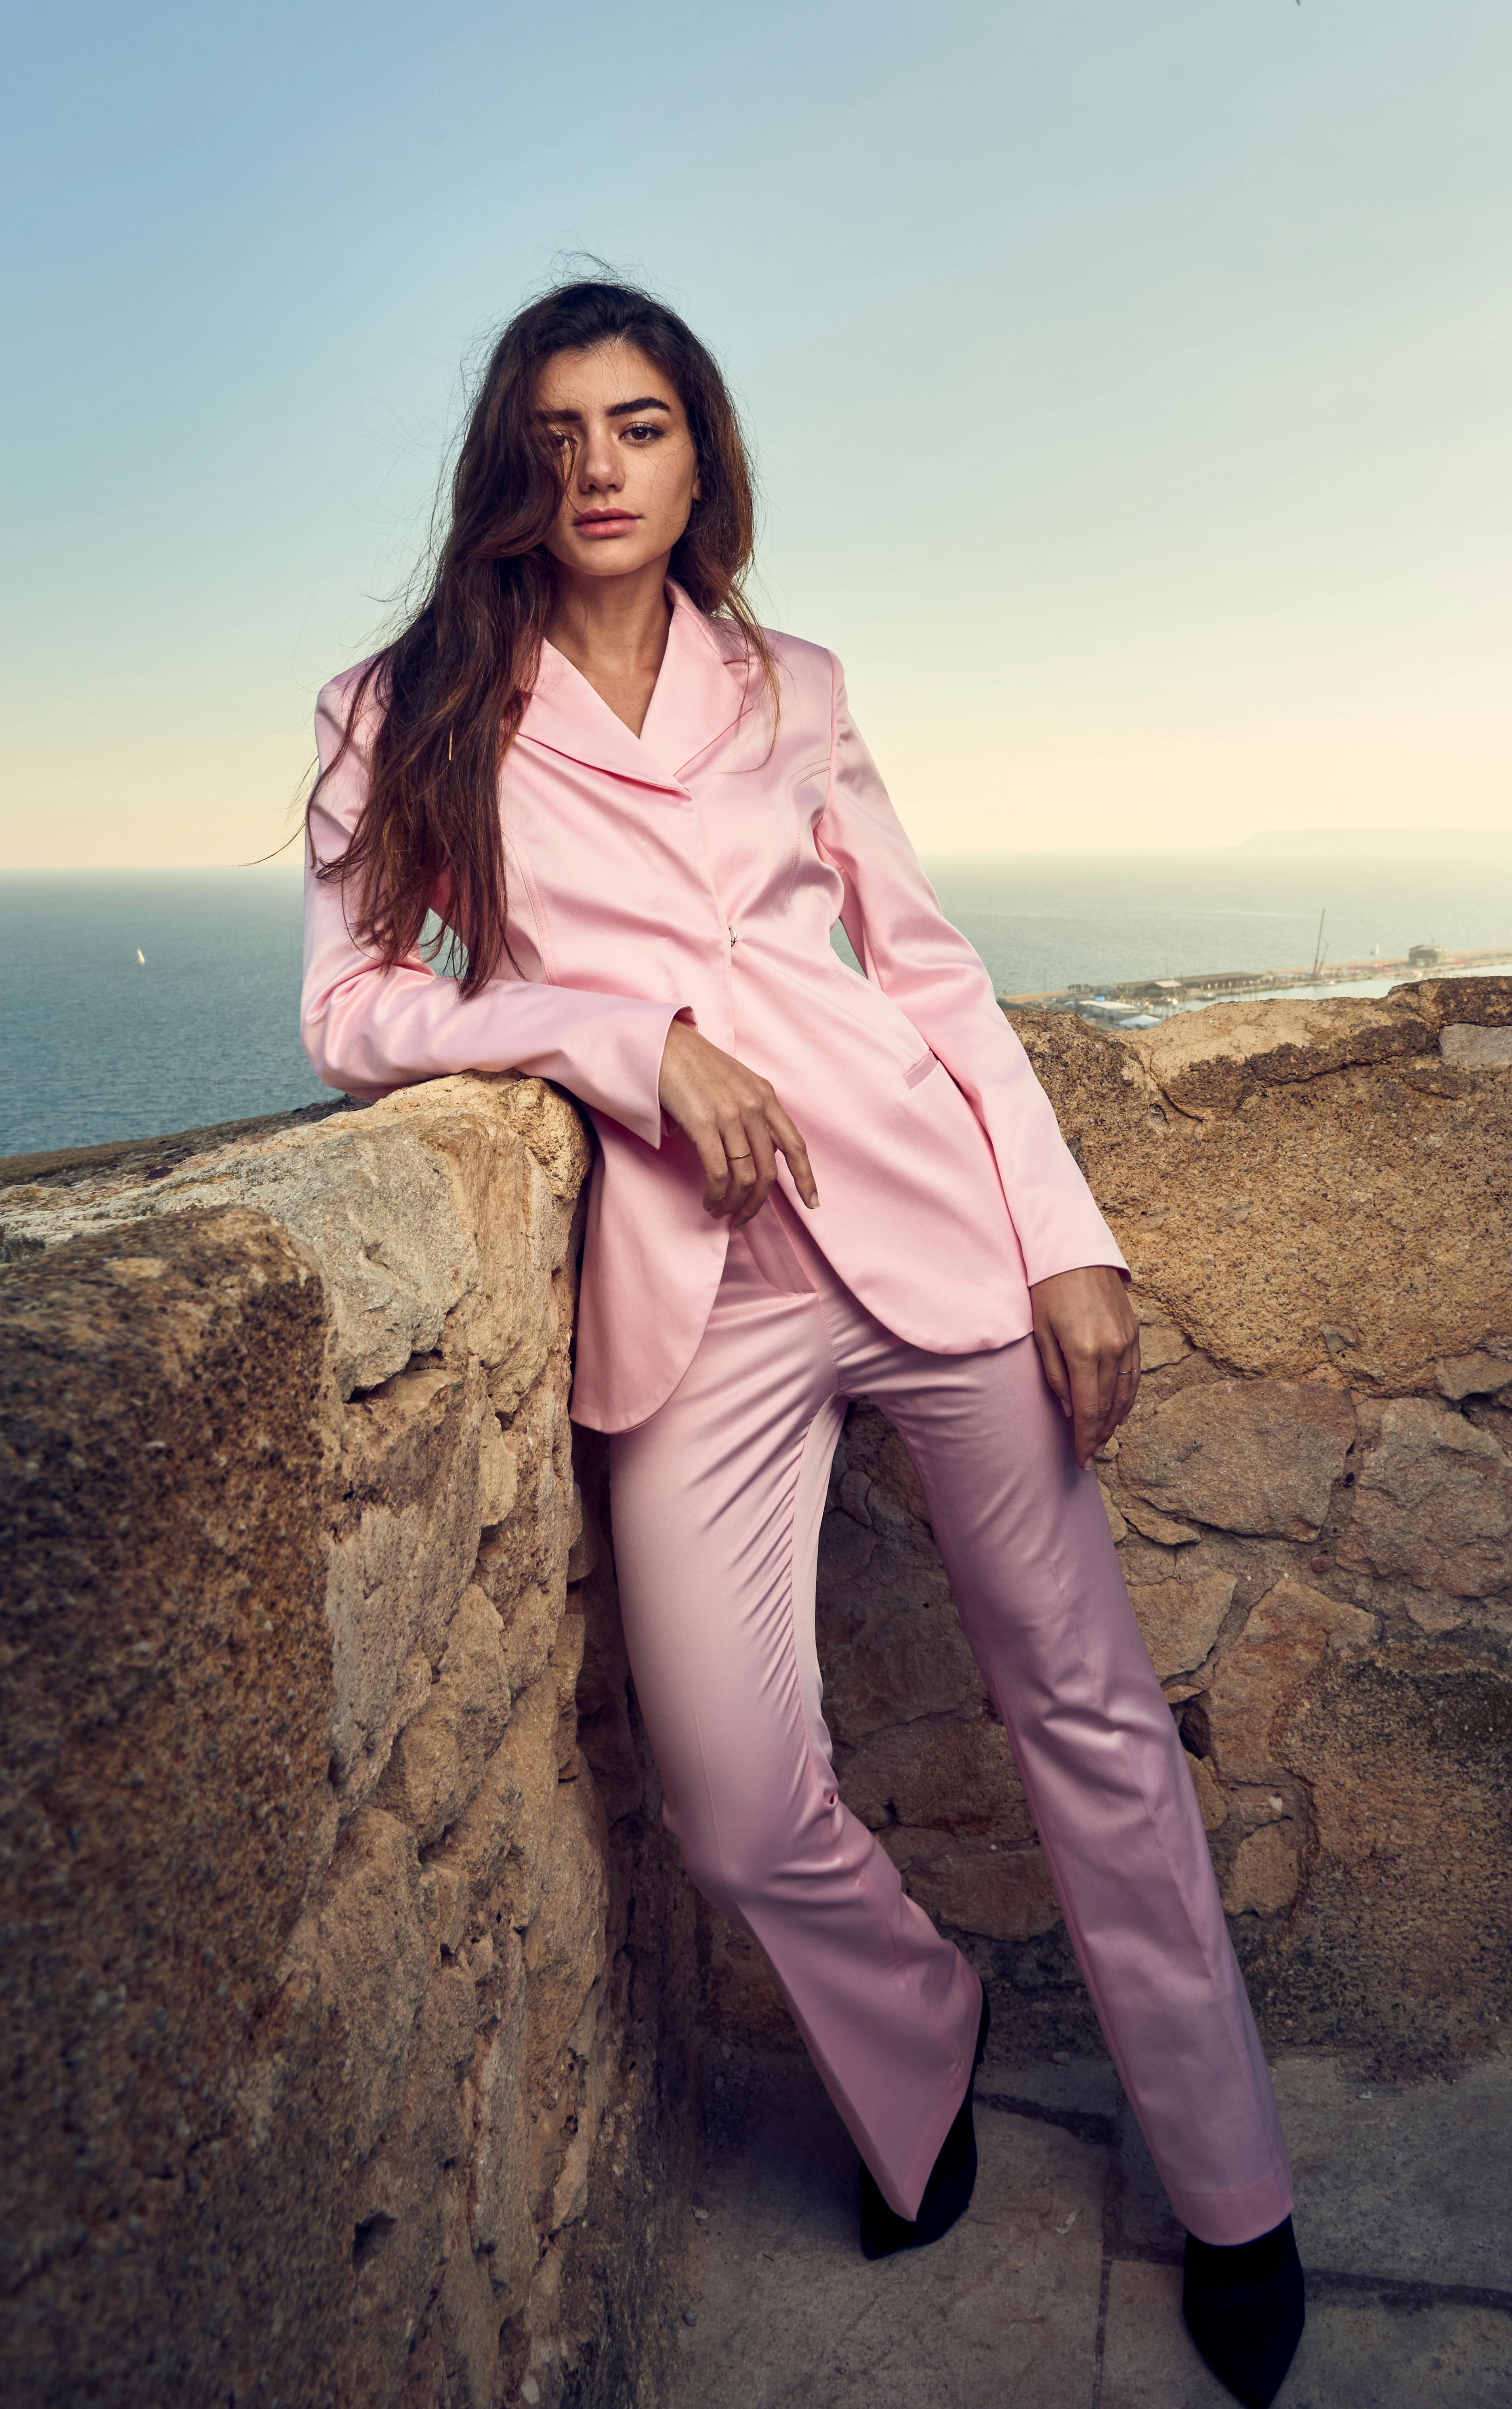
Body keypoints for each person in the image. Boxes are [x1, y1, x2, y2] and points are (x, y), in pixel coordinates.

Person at [300, 279, 1304, 2406]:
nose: (596, 466)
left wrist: (1066, 1237)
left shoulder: (797, 683)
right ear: (507, 461)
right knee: (744, 1805)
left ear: (700, 459)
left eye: (641, 424)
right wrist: (620, 1038)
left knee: (1091, 1726)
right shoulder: (407, 708)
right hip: (691, 1293)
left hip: (927, 1230)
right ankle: (912, 2050)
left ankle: (1233, 2192)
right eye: (558, 428)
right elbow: (358, 1008)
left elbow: (925, 978)